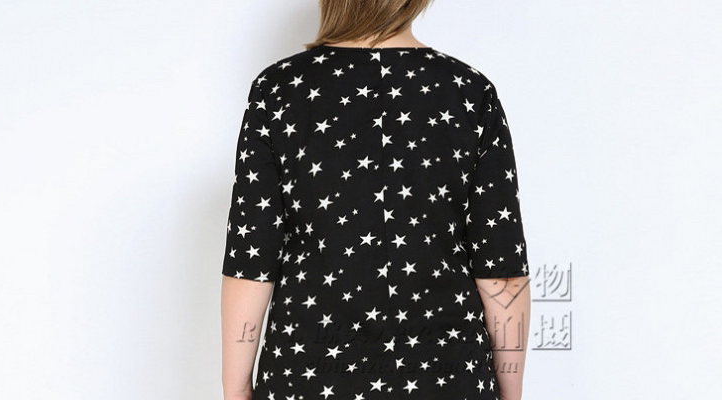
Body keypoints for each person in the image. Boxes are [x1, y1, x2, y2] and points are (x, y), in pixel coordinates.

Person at [221, 1, 531, 399]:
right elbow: (501, 270)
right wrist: (511, 391)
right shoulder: (469, 91)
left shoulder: (278, 90)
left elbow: (251, 262)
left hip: (307, 375)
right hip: (449, 376)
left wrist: (235, 388)